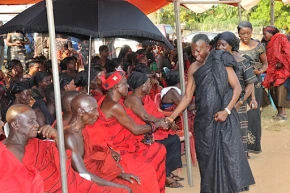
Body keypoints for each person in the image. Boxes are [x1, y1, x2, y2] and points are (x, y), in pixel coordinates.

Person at [166, 34, 255, 193]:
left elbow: (237, 88)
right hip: (204, 123)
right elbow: (187, 97)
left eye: (199, 50)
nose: (196, 54)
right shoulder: (193, 67)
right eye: (193, 51)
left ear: (208, 47)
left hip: (223, 120)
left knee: (228, 161)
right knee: (207, 164)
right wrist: (172, 116)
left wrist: (226, 111)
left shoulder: (221, 60)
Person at [3, 104, 128, 193]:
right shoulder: (5, 153)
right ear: (15, 125)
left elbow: (65, 167)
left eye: (35, 121)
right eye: (31, 121)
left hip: (70, 185)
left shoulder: (39, 144)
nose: (37, 125)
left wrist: (57, 137)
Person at [85, 71, 167, 193]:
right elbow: (135, 129)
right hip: (116, 149)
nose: (128, 86)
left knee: (159, 150)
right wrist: (156, 125)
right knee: (149, 167)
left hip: (123, 143)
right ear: (116, 87)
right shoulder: (114, 106)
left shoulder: (114, 101)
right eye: (125, 84)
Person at [64, 94, 142, 193]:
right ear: (81, 111)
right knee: (125, 190)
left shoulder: (82, 130)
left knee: (133, 184)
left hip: (92, 173)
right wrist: (118, 186)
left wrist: (120, 174)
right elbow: (83, 174)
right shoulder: (69, 137)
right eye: (93, 110)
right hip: (79, 182)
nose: (97, 114)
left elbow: (93, 157)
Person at [125, 71, 184, 188]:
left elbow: (154, 114)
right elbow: (145, 116)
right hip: (137, 133)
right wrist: (164, 122)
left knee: (173, 139)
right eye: (148, 83)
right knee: (165, 143)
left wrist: (164, 121)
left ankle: (167, 172)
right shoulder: (133, 98)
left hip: (148, 128)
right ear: (141, 86)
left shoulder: (143, 98)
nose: (150, 85)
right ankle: (166, 176)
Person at [215, 31, 257, 158]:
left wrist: (241, 101)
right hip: (222, 103)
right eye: (218, 45)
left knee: (239, 130)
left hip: (239, 103)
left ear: (232, 45)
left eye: (223, 45)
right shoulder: (218, 61)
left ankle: (242, 158)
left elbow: (250, 84)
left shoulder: (243, 61)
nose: (220, 48)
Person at [238, 21, 268, 153]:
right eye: (242, 33)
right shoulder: (235, 46)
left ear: (252, 32)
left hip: (255, 84)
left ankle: (253, 146)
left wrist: (260, 72)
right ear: (238, 33)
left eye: (248, 33)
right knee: (241, 113)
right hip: (240, 84)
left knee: (254, 113)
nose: (245, 35)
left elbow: (265, 64)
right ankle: (242, 146)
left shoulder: (259, 47)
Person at [262, 26, 290, 120]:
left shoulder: (281, 38)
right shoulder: (268, 43)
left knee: (280, 91)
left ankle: (283, 113)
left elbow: (288, 52)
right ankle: (279, 113)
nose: (264, 36)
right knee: (273, 91)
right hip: (272, 70)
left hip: (282, 70)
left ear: (271, 33)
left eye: (265, 34)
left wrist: (281, 61)